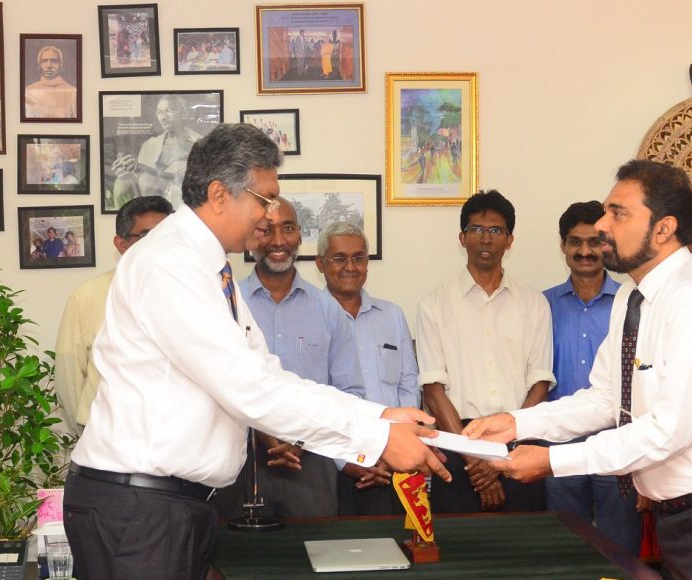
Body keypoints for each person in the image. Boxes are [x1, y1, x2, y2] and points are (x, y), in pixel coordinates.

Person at [64, 124, 449, 579]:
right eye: (264, 199)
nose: (268, 216)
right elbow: (249, 389)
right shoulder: (170, 264)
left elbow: (269, 375)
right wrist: (377, 439)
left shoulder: (209, 268)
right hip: (140, 510)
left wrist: (378, 417)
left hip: (171, 504)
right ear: (219, 194)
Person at [464, 160, 692, 579]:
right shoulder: (631, 296)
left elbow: (669, 431)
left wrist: (552, 460)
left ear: (663, 229)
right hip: (681, 516)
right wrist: (516, 423)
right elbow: (606, 399)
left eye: (618, 213)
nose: (602, 225)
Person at [415, 189, 555, 513]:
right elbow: (433, 391)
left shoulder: (534, 304)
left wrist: (503, 454)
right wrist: (475, 459)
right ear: (462, 238)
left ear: (510, 240)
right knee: (459, 542)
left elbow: (540, 386)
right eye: (477, 229)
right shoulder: (433, 305)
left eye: (496, 230)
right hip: (457, 448)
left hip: (518, 448)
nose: (486, 238)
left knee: (525, 540)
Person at [237, 198, 364, 518]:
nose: (278, 240)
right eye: (266, 229)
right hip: (241, 460)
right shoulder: (229, 304)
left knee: (314, 548)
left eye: (288, 228)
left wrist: (304, 437)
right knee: (237, 550)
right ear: (251, 236)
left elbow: (349, 393)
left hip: (313, 465)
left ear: (300, 236)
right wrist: (264, 432)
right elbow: (214, 383)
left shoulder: (328, 310)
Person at [541, 201, 641, 555]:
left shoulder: (631, 303)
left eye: (594, 241)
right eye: (575, 242)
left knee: (619, 548)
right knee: (565, 548)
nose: (585, 251)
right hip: (560, 445)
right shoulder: (541, 306)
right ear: (563, 245)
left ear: (607, 243)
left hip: (617, 443)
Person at [316, 222, 419, 516]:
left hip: (392, 462)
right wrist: (345, 459)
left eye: (359, 257)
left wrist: (395, 448)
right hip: (332, 465)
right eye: (339, 258)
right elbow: (308, 398)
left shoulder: (392, 315)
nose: (350, 266)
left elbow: (408, 386)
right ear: (321, 264)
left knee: (394, 539)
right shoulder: (309, 318)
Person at [54, 197, 174, 433]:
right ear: (122, 244)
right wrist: (88, 431)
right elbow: (69, 376)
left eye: (168, 235)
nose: (161, 244)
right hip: (109, 436)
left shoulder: (192, 293)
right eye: (148, 236)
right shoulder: (88, 296)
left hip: (176, 437)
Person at [110, 95, 204, 209]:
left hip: (177, 194)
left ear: (184, 113)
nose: (163, 117)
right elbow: (138, 174)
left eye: (168, 111)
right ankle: (123, 217)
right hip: (147, 192)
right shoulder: (150, 144)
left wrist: (144, 170)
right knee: (121, 182)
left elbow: (195, 180)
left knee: (147, 180)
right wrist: (126, 169)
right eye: (159, 112)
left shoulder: (198, 143)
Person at [24, 44, 77, 119]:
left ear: (60, 65)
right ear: (39, 65)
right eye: (45, 61)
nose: (49, 65)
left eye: (54, 61)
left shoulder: (73, 93)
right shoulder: (28, 91)